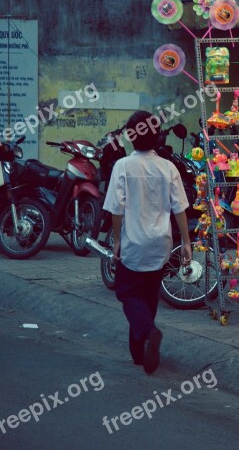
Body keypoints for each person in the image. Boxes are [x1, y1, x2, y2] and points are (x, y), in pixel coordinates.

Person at [103, 110, 192, 374]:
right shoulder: (168, 167)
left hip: (133, 243)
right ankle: (139, 354)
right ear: (156, 138)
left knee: (128, 294)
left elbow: (116, 209)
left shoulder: (123, 166)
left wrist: (117, 241)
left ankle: (149, 332)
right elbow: (180, 209)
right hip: (160, 244)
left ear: (131, 137)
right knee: (149, 297)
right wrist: (186, 243)